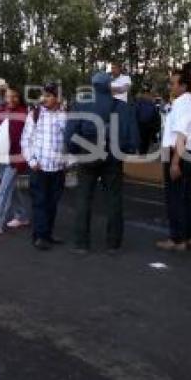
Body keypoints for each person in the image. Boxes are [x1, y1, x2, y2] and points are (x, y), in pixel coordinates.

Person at [66, 72, 139, 254]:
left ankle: (81, 243)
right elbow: (133, 136)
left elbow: (70, 134)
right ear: (109, 86)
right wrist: (125, 150)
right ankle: (113, 244)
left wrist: (76, 150)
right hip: (113, 157)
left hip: (87, 154)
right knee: (114, 200)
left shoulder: (80, 104)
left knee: (84, 198)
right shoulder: (122, 106)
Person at [155, 68, 191, 251]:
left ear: (183, 85)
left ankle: (177, 239)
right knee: (187, 196)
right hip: (187, 153)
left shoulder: (183, 104)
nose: (170, 86)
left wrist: (174, 162)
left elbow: (181, 135)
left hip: (178, 153)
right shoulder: (189, 103)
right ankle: (190, 236)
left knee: (175, 197)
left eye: (173, 83)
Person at [21, 82, 68, 250]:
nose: (45, 98)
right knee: (40, 202)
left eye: (49, 96)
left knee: (52, 203)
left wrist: (66, 162)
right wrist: (32, 161)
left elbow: (68, 140)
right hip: (39, 168)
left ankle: (48, 233)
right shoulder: (35, 114)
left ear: (57, 98)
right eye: (44, 95)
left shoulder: (64, 115)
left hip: (57, 168)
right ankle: (39, 236)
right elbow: (25, 140)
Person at [0, 85, 30, 235]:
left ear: (20, 98)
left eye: (14, 96)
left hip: (14, 159)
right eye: (8, 96)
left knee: (3, 191)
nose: (10, 99)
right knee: (11, 188)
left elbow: (28, 138)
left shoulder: (24, 114)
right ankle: (22, 216)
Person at [135, 84, 161, 155]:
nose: (145, 94)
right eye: (145, 92)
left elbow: (156, 116)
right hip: (144, 127)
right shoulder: (148, 102)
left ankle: (142, 155)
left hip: (145, 127)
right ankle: (142, 155)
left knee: (143, 144)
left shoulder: (143, 102)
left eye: (146, 92)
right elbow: (156, 116)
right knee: (144, 144)